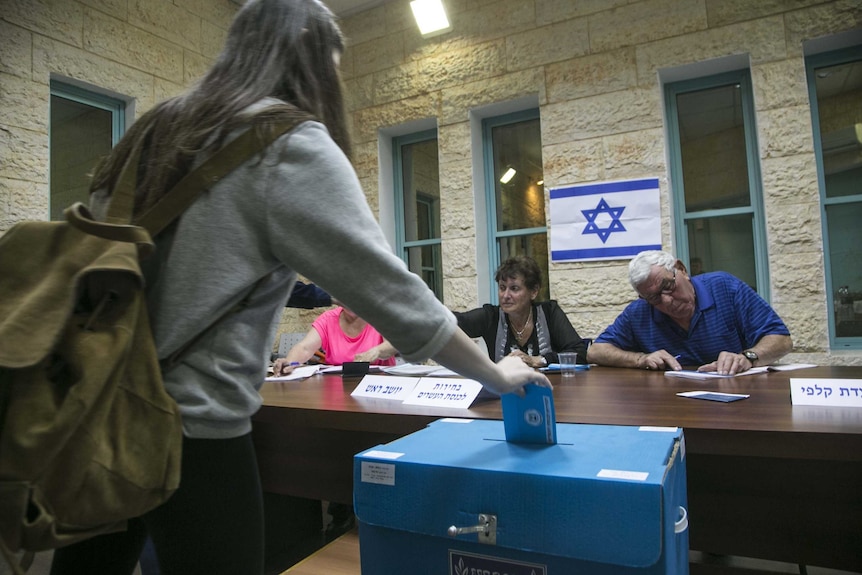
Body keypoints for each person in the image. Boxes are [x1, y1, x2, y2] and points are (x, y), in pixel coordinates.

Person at [49, 1, 549, 574]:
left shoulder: (154, 128)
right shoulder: (285, 141)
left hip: (94, 411)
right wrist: (494, 373)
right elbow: (393, 294)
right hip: (194, 430)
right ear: (314, 64)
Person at [587, 250, 792, 375]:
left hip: (739, 400)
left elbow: (781, 340)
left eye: (668, 286)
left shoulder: (726, 288)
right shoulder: (640, 312)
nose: (667, 300)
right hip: (671, 404)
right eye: (655, 298)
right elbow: (596, 351)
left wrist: (748, 357)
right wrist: (641, 359)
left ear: (681, 269)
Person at [454, 256, 588, 368]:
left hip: (550, 390)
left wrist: (539, 360)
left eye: (514, 288)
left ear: (534, 291)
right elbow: (453, 321)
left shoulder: (549, 313)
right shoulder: (491, 316)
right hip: (504, 393)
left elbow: (579, 353)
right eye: (502, 288)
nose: (505, 295)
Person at [274, 306, 397, 370]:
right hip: (337, 389)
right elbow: (305, 348)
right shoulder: (328, 319)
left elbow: (394, 344)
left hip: (377, 387)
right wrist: (289, 362)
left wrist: (377, 351)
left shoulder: (381, 316)